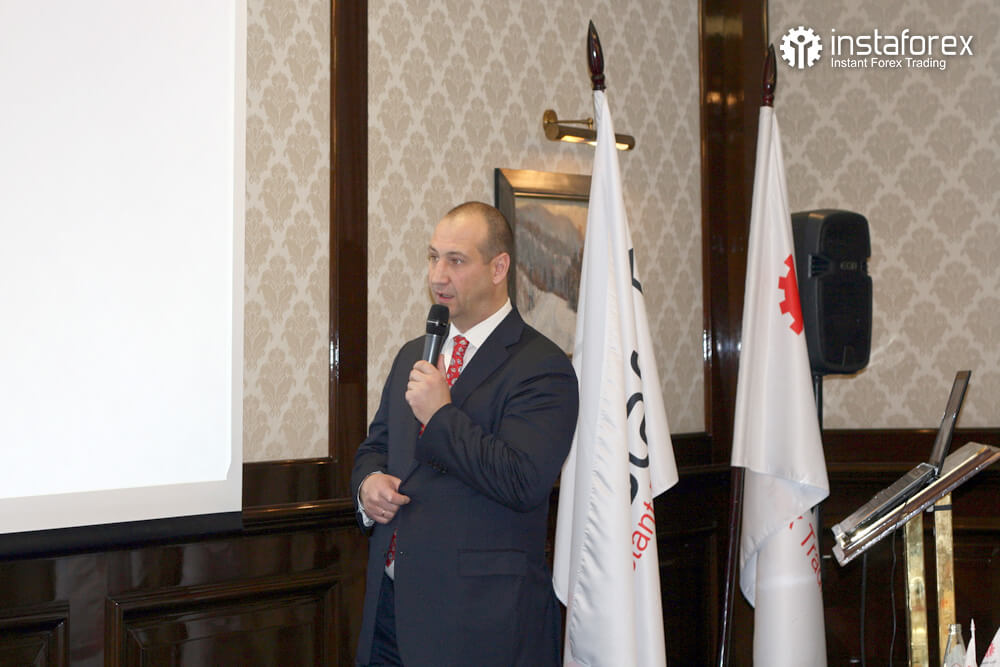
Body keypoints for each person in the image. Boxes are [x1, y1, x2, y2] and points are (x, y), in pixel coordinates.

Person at [352, 201, 579, 666]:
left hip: (479, 624)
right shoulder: (414, 354)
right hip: (390, 611)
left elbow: (522, 480)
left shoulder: (543, 367)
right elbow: (377, 446)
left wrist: (441, 415)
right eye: (433, 257)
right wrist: (367, 485)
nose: (438, 276)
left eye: (456, 260)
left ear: (499, 268)